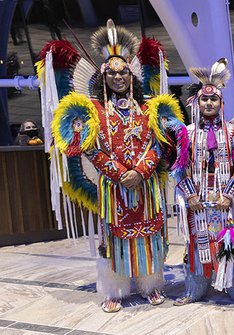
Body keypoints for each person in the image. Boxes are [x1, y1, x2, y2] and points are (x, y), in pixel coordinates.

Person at [47, 20, 184, 313]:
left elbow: (157, 146)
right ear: (103, 77)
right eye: (113, 73)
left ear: (132, 76)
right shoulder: (93, 111)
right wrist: (121, 174)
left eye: (124, 72)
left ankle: (150, 285)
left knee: (148, 235)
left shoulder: (147, 108)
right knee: (113, 240)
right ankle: (115, 290)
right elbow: (90, 149)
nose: (119, 77)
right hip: (114, 189)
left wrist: (141, 171)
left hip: (145, 186)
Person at [173, 59, 234, 307]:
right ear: (197, 103)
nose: (209, 103)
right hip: (198, 199)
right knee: (198, 244)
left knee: (229, 240)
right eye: (204, 100)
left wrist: (229, 195)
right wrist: (191, 196)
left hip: (225, 200)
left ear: (221, 103)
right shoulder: (186, 132)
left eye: (214, 100)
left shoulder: (233, 131)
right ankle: (196, 287)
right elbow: (181, 167)